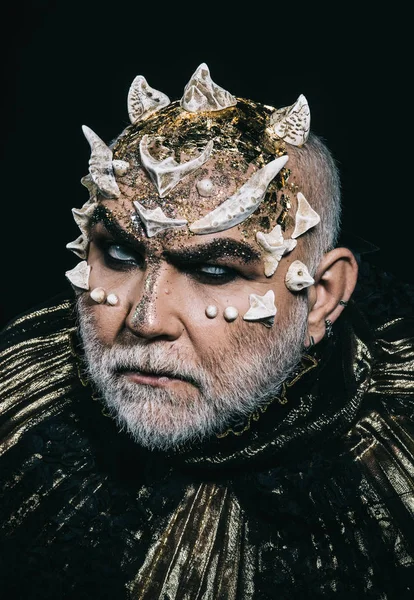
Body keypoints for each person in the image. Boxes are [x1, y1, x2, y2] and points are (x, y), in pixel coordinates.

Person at [1, 63, 413, 599]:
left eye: (215, 271)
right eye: (120, 253)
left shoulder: (394, 464)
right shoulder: (17, 400)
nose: (146, 321)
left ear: (321, 298)